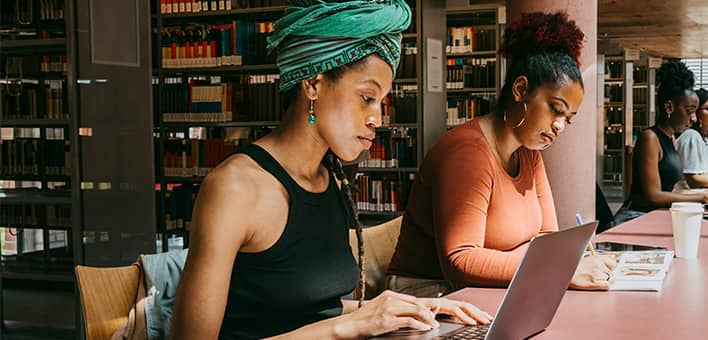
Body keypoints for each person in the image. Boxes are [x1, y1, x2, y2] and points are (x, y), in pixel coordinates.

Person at [169, 1, 491, 338]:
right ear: (313, 84)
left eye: (382, 103)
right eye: (367, 97)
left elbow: (310, 310)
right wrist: (348, 325)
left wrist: (406, 306)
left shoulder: (330, 179)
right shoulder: (234, 188)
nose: (376, 120)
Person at [386, 12, 616, 298]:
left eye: (568, 118)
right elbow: (461, 261)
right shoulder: (467, 154)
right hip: (427, 295)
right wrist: (558, 269)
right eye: (556, 109)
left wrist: (545, 261)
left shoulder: (529, 152)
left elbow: (545, 239)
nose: (560, 126)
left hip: (485, 289)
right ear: (520, 89)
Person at [612, 62, 708, 225]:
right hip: (636, 218)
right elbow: (654, 196)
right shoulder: (650, 138)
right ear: (669, 107)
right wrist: (707, 196)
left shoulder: (671, 138)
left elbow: (671, 191)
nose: (693, 118)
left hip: (657, 215)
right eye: (689, 111)